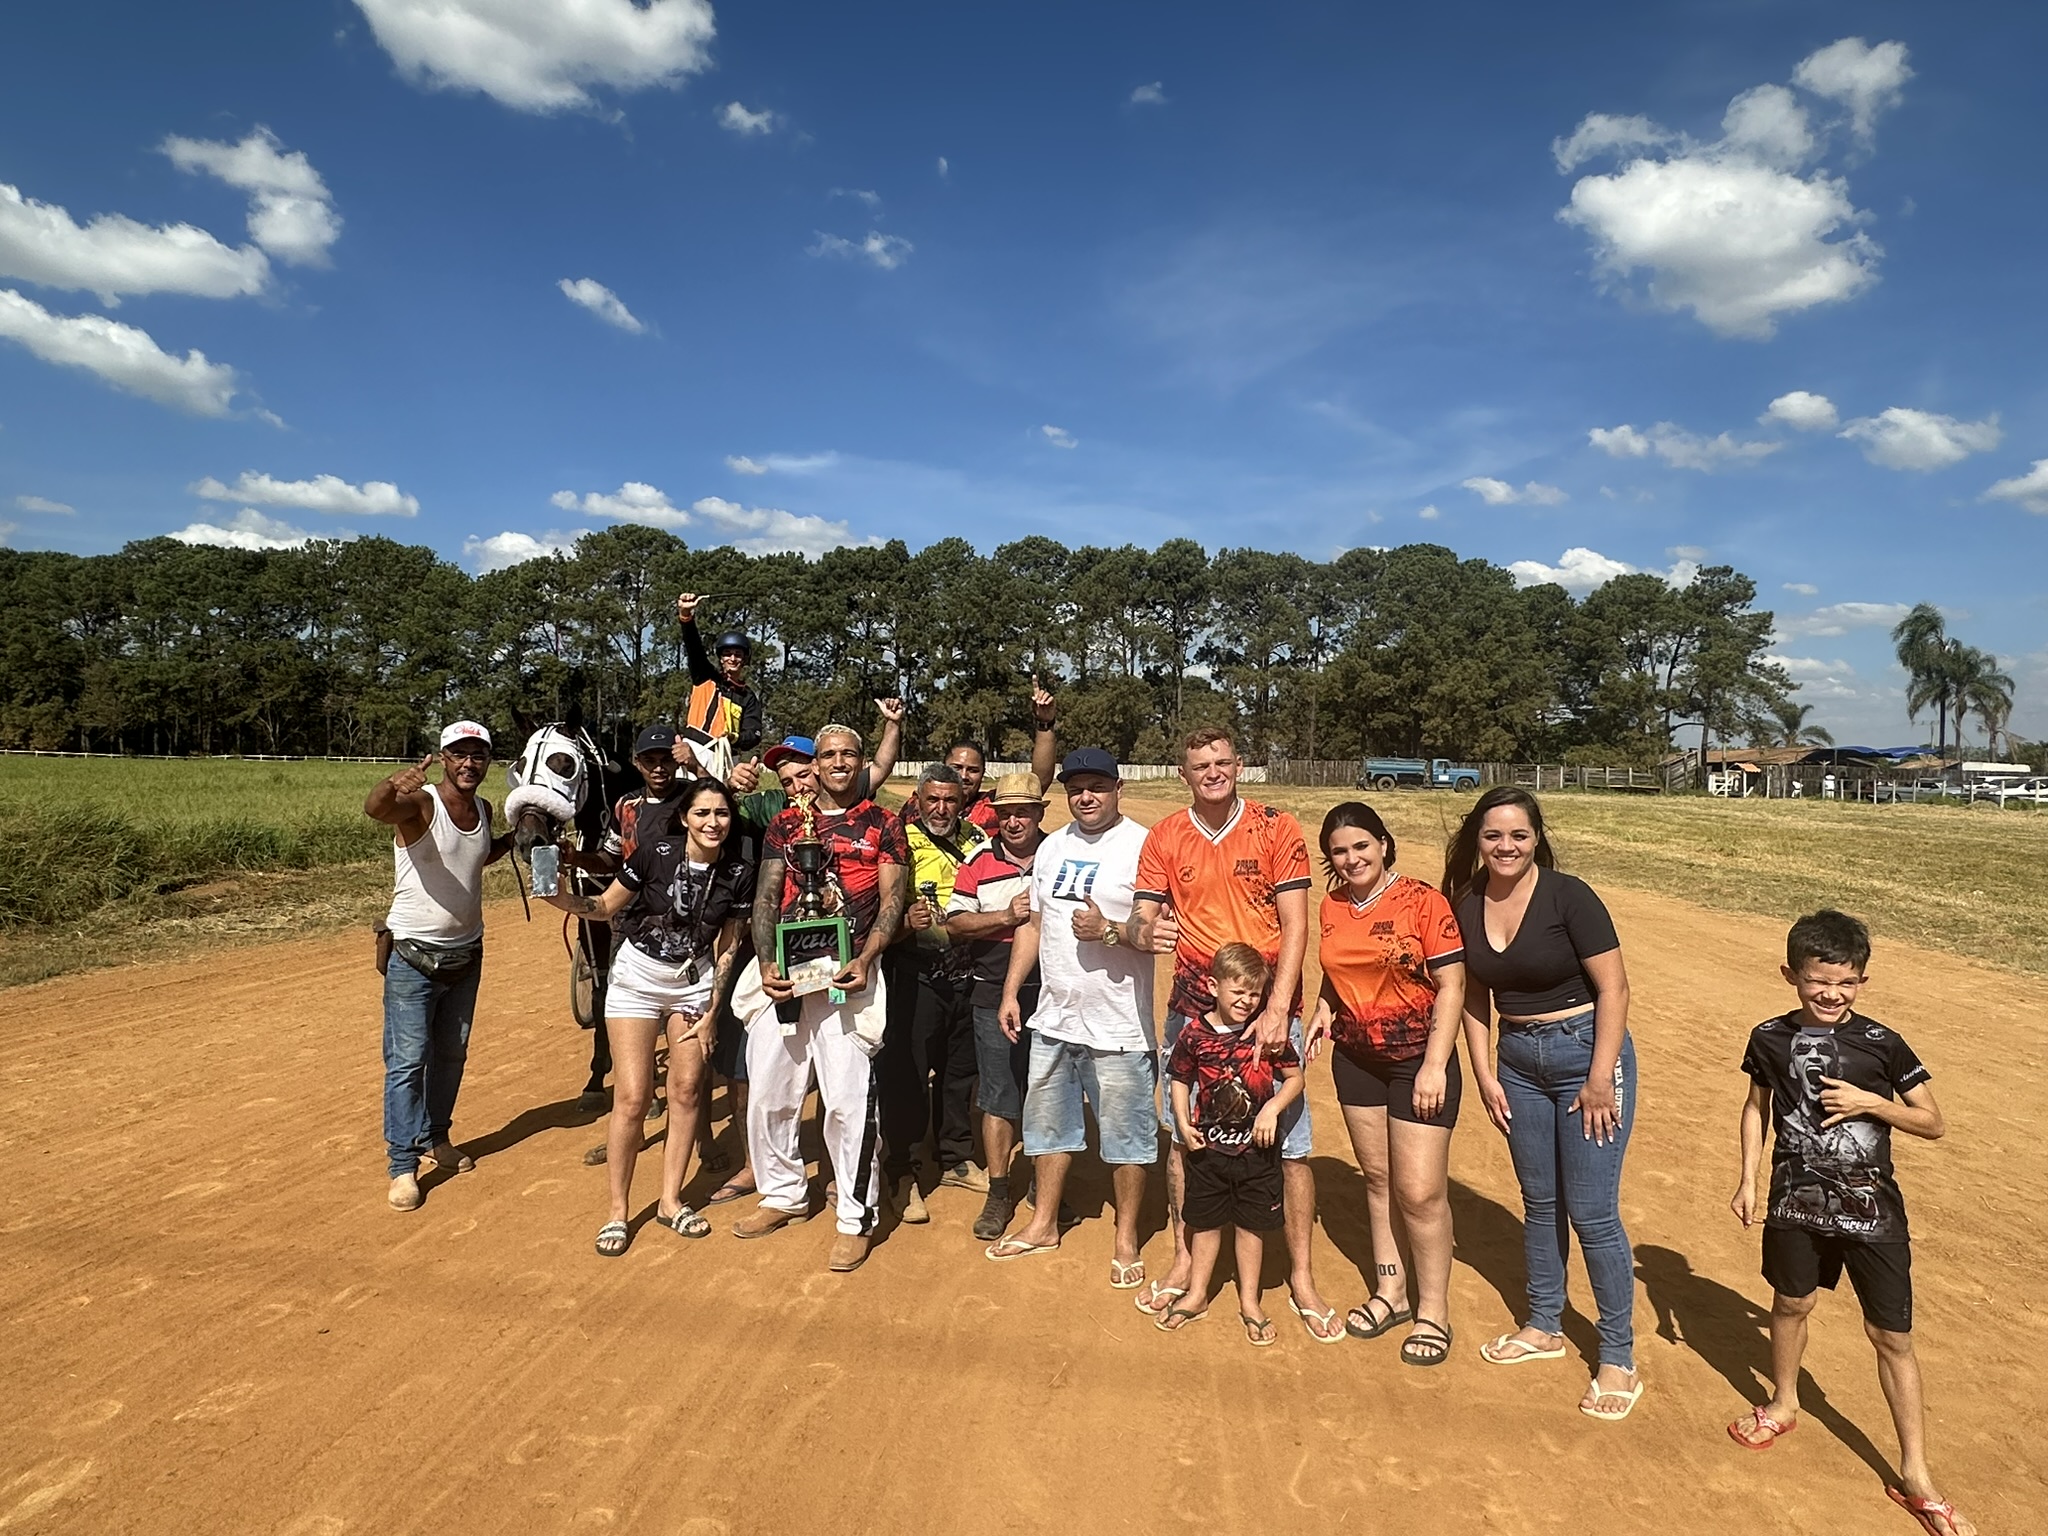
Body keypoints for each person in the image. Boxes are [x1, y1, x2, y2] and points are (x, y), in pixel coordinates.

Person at [1729, 911, 1973, 1536]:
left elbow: (1933, 1122)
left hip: (1872, 1212)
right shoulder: (1768, 1037)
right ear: (1791, 975)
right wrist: (1748, 1180)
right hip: (1794, 1203)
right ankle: (1784, 1402)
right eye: (1818, 980)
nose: (1832, 994)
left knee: (1891, 1335)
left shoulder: (1883, 1043)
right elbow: (1756, 1108)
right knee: (1791, 1303)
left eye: (1846, 983)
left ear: (1863, 980)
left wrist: (1871, 1103)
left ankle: (1916, 1473)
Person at [1126, 729, 1340, 1343]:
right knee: (1184, 1137)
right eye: (1200, 765)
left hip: (1267, 1014)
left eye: (1222, 761)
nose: (1213, 772)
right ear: (1184, 773)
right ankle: (1184, 1259)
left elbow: (1296, 925)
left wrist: (1277, 1008)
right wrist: (1141, 931)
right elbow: (1143, 915)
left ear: (1239, 765)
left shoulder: (1276, 827)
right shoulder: (1166, 835)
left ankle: (1300, 1277)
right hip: (1194, 1013)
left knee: (1290, 1146)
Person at [1446, 786, 1641, 1419]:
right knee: (1540, 1203)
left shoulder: (1569, 896)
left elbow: (1614, 989)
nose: (1506, 846)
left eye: (1519, 835)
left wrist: (1599, 1077)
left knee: (1592, 1212)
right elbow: (1474, 997)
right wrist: (1485, 1072)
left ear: (1536, 838)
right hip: (1517, 1064)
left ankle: (1618, 1357)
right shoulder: (1467, 903)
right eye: (1493, 835)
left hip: (1585, 1052)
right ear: (1478, 839)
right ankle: (1544, 1324)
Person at [541, 778, 753, 1256]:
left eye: (721, 813)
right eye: (702, 813)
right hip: (637, 981)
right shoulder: (655, 854)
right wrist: (559, 897)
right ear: (685, 818)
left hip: (693, 984)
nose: (713, 822)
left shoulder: (739, 871)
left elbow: (728, 946)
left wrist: (713, 1010)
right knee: (633, 1097)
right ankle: (617, 1211)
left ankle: (670, 1201)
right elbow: (603, 906)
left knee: (687, 1089)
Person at [735, 723, 909, 1273]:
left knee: (847, 1103)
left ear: (861, 761)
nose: (837, 762)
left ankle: (856, 1217)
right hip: (786, 977)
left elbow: (893, 900)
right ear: (817, 764)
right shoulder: (786, 824)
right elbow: (766, 898)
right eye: (829, 754)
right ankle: (783, 1194)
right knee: (770, 1092)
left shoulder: (884, 823)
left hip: (848, 976)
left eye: (848, 754)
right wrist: (766, 960)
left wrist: (868, 957)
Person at [1304, 802, 1466, 1366]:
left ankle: (1434, 1311)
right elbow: (1339, 971)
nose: (1352, 859)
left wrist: (1434, 1065)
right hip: (1356, 1059)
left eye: (1361, 846)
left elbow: (1451, 985)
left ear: (1383, 844)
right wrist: (1324, 1007)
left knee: (1419, 1192)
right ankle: (1392, 1291)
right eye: (1339, 852)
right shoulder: (1332, 906)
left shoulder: (1424, 901)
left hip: (1418, 1061)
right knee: (1378, 1181)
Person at [986, 748, 1156, 1285]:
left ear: (1118, 789)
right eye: (1076, 788)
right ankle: (1043, 1224)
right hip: (1054, 1019)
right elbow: (1034, 925)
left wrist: (1109, 931)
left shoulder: (1143, 846)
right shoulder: (1053, 847)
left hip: (1119, 1025)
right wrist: (1012, 991)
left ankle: (1126, 1238)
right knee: (1047, 1129)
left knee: (1127, 1138)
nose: (1086, 797)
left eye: (1097, 787)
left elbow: (1158, 931)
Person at [363, 722, 512, 1213]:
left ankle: (436, 1138)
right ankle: (402, 1165)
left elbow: (475, 855)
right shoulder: (420, 803)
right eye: (459, 754)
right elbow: (376, 810)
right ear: (443, 758)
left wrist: (518, 839)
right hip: (414, 957)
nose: (469, 763)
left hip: (467, 954)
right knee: (408, 1062)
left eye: (478, 755)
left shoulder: (483, 809)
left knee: (451, 1055)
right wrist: (390, 786)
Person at [1160, 944, 1305, 1345]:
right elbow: (1179, 1078)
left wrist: (1271, 1110)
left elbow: (1295, 1078)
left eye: (1254, 994)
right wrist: (1182, 1122)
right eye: (1237, 991)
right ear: (1213, 986)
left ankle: (1249, 1301)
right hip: (1208, 1152)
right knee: (1205, 1223)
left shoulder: (1266, 1033)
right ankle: (1197, 1294)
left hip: (1256, 1155)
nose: (1246, 1001)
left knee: (1251, 1226)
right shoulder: (1194, 1034)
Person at [565, 723, 692, 1114]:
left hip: (686, 922)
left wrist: (698, 765)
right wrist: (575, 857)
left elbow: (723, 814)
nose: (659, 768)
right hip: (631, 925)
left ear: (676, 761)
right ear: (637, 763)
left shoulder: (693, 797)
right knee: (630, 1005)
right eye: (650, 760)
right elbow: (609, 858)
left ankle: (691, 1104)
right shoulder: (626, 808)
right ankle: (640, 1087)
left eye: (666, 759)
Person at [882, 764, 990, 1220]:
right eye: (933, 799)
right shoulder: (900, 840)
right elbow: (880, 909)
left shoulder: (977, 840)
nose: (942, 808)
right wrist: (906, 924)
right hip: (915, 972)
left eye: (950, 800)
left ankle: (955, 1156)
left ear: (962, 801)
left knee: (959, 1071)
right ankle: (901, 1168)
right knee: (906, 1074)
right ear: (918, 799)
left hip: (967, 974)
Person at [944, 771, 1047, 1241]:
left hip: (1052, 992)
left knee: (1048, 1094)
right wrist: (1006, 915)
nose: (1013, 821)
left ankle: (1045, 1188)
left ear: (1039, 813)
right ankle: (999, 1191)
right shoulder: (978, 860)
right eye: (1006, 813)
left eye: (1023, 812)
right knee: (998, 1094)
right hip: (991, 991)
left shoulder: (1060, 853)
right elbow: (956, 923)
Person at [944, 675, 1059, 835]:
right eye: (956, 768)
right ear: (943, 768)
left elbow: (1038, 782)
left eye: (973, 770)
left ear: (983, 773)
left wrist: (1045, 724)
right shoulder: (920, 805)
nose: (964, 776)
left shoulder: (996, 805)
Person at [676, 591, 764, 752]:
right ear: (721, 659)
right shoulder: (705, 677)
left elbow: (754, 734)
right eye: (727, 654)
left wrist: (733, 737)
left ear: (744, 659)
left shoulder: (748, 697)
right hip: (695, 749)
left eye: (738, 654)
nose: (733, 658)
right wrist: (686, 616)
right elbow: (694, 647)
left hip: (725, 754)